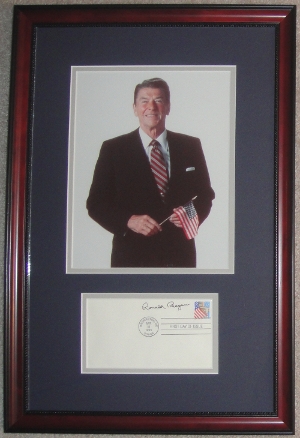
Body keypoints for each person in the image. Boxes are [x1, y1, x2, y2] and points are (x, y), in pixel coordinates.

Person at [86, 78, 215, 268]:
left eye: (159, 100)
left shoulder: (190, 146)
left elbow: (205, 195)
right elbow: (96, 203)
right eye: (144, 101)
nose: (151, 107)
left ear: (168, 107)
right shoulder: (114, 149)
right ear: (135, 108)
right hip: (131, 256)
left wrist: (189, 214)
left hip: (179, 256)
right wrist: (129, 221)